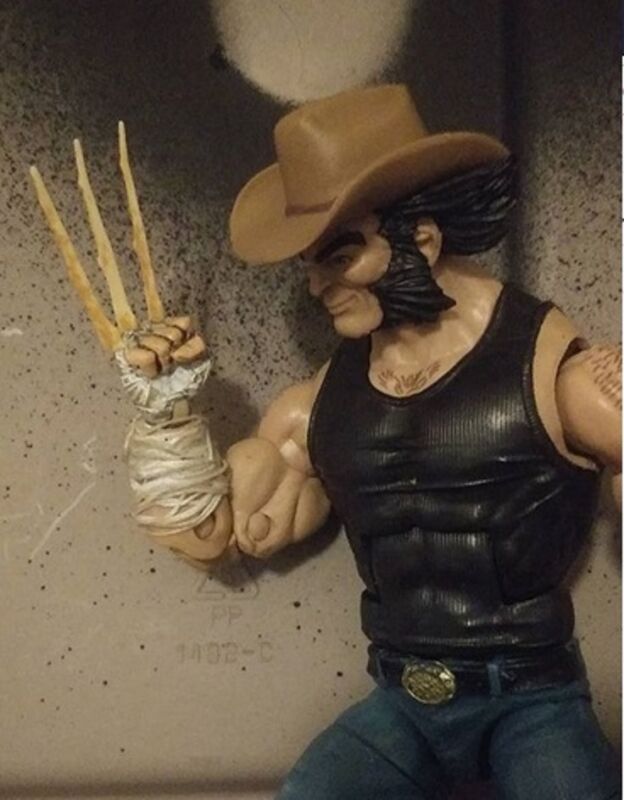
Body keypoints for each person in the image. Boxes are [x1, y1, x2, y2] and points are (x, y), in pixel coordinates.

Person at [33, 84, 621, 798]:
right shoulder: (319, 408)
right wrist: (167, 414)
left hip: (533, 701)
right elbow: (217, 534)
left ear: (422, 241)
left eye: (339, 256)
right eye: (309, 264)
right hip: (402, 704)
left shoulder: (560, 378)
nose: (317, 286)